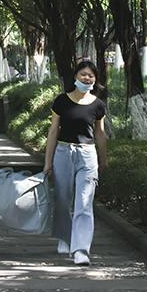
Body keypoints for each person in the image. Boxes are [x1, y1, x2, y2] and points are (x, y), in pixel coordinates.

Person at [43, 61, 108, 266]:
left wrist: (104, 159)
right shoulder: (62, 101)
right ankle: (65, 237)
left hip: (87, 156)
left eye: (91, 75)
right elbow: (53, 131)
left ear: (95, 80)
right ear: (75, 77)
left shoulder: (98, 105)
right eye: (83, 74)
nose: (86, 78)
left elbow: (100, 134)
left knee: (84, 202)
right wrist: (47, 162)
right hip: (63, 152)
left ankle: (81, 249)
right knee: (62, 199)